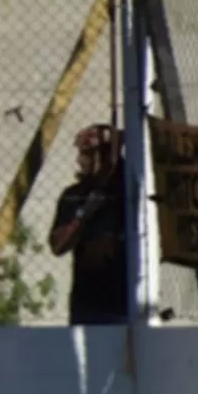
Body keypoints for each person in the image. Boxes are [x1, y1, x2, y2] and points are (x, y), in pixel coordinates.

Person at [49, 124, 128, 325]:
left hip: (130, 303)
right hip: (88, 304)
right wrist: (84, 213)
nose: (79, 161)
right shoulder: (75, 196)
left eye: (86, 154)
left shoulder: (131, 192)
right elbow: (57, 246)